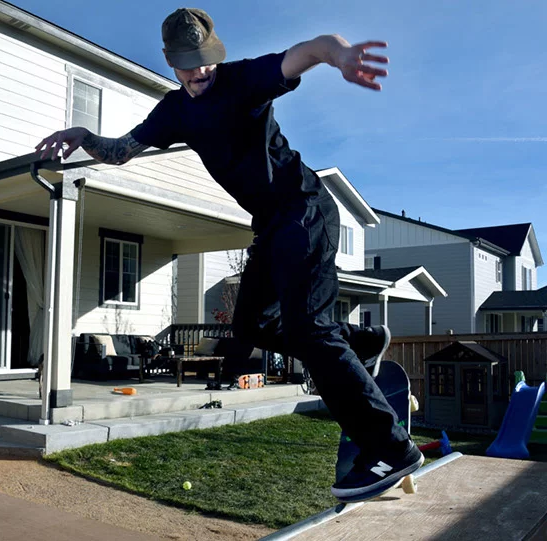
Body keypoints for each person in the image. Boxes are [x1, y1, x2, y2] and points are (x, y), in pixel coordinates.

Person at [35, 8, 422, 501]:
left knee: (309, 329)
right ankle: (362, 341)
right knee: (253, 326)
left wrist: (340, 54)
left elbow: (310, 50)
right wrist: (82, 136)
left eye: (205, 60)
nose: (199, 71)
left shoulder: (242, 79)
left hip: (304, 211)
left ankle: (391, 447)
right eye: (188, 64)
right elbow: (120, 151)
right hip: (271, 227)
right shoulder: (174, 111)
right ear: (171, 62)